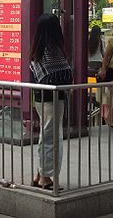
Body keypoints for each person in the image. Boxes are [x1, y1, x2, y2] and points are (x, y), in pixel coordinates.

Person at [29, 13, 73, 190]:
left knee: (45, 135)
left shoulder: (38, 50)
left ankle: (40, 174)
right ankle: (45, 178)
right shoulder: (53, 51)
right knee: (52, 137)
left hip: (42, 99)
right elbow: (64, 75)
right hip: (53, 100)